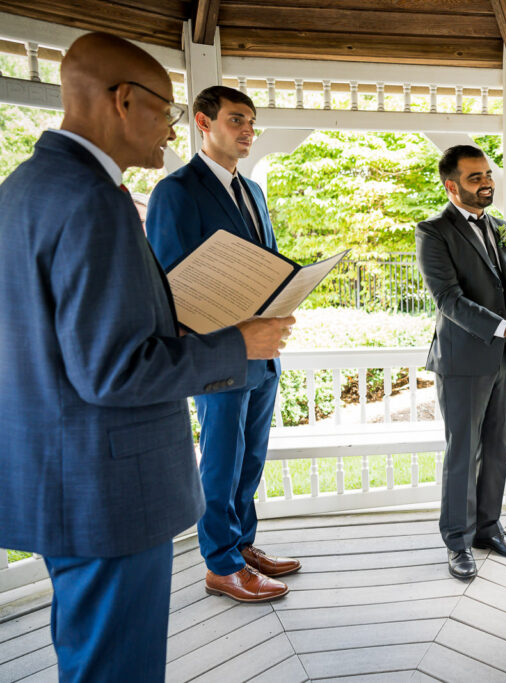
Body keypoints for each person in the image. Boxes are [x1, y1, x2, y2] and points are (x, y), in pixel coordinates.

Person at [0, 33, 293, 682]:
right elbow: (112, 369)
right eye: (165, 109)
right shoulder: (94, 201)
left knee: (87, 653)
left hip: (59, 479)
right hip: (108, 491)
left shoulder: (22, 187)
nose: (170, 127)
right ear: (122, 100)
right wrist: (237, 343)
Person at [146, 85, 301, 603]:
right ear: (202, 122)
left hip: (264, 350)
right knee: (220, 458)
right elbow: (169, 283)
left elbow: (268, 265)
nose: (247, 130)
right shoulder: (177, 191)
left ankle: (244, 544)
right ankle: (221, 564)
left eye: (252, 122)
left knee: (250, 457)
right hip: (217, 353)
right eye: (237, 119)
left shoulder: (253, 191)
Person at [416, 145, 506, 579]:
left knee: (498, 447)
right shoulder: (433, 231)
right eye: (475, 178)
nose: (486, 183)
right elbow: (448, 300)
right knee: (463, 451)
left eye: (487, 174)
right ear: (450, 185)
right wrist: (503, 328)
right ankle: (458, 541)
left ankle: (489, 530)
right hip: (462, 362)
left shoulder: (504, 229)